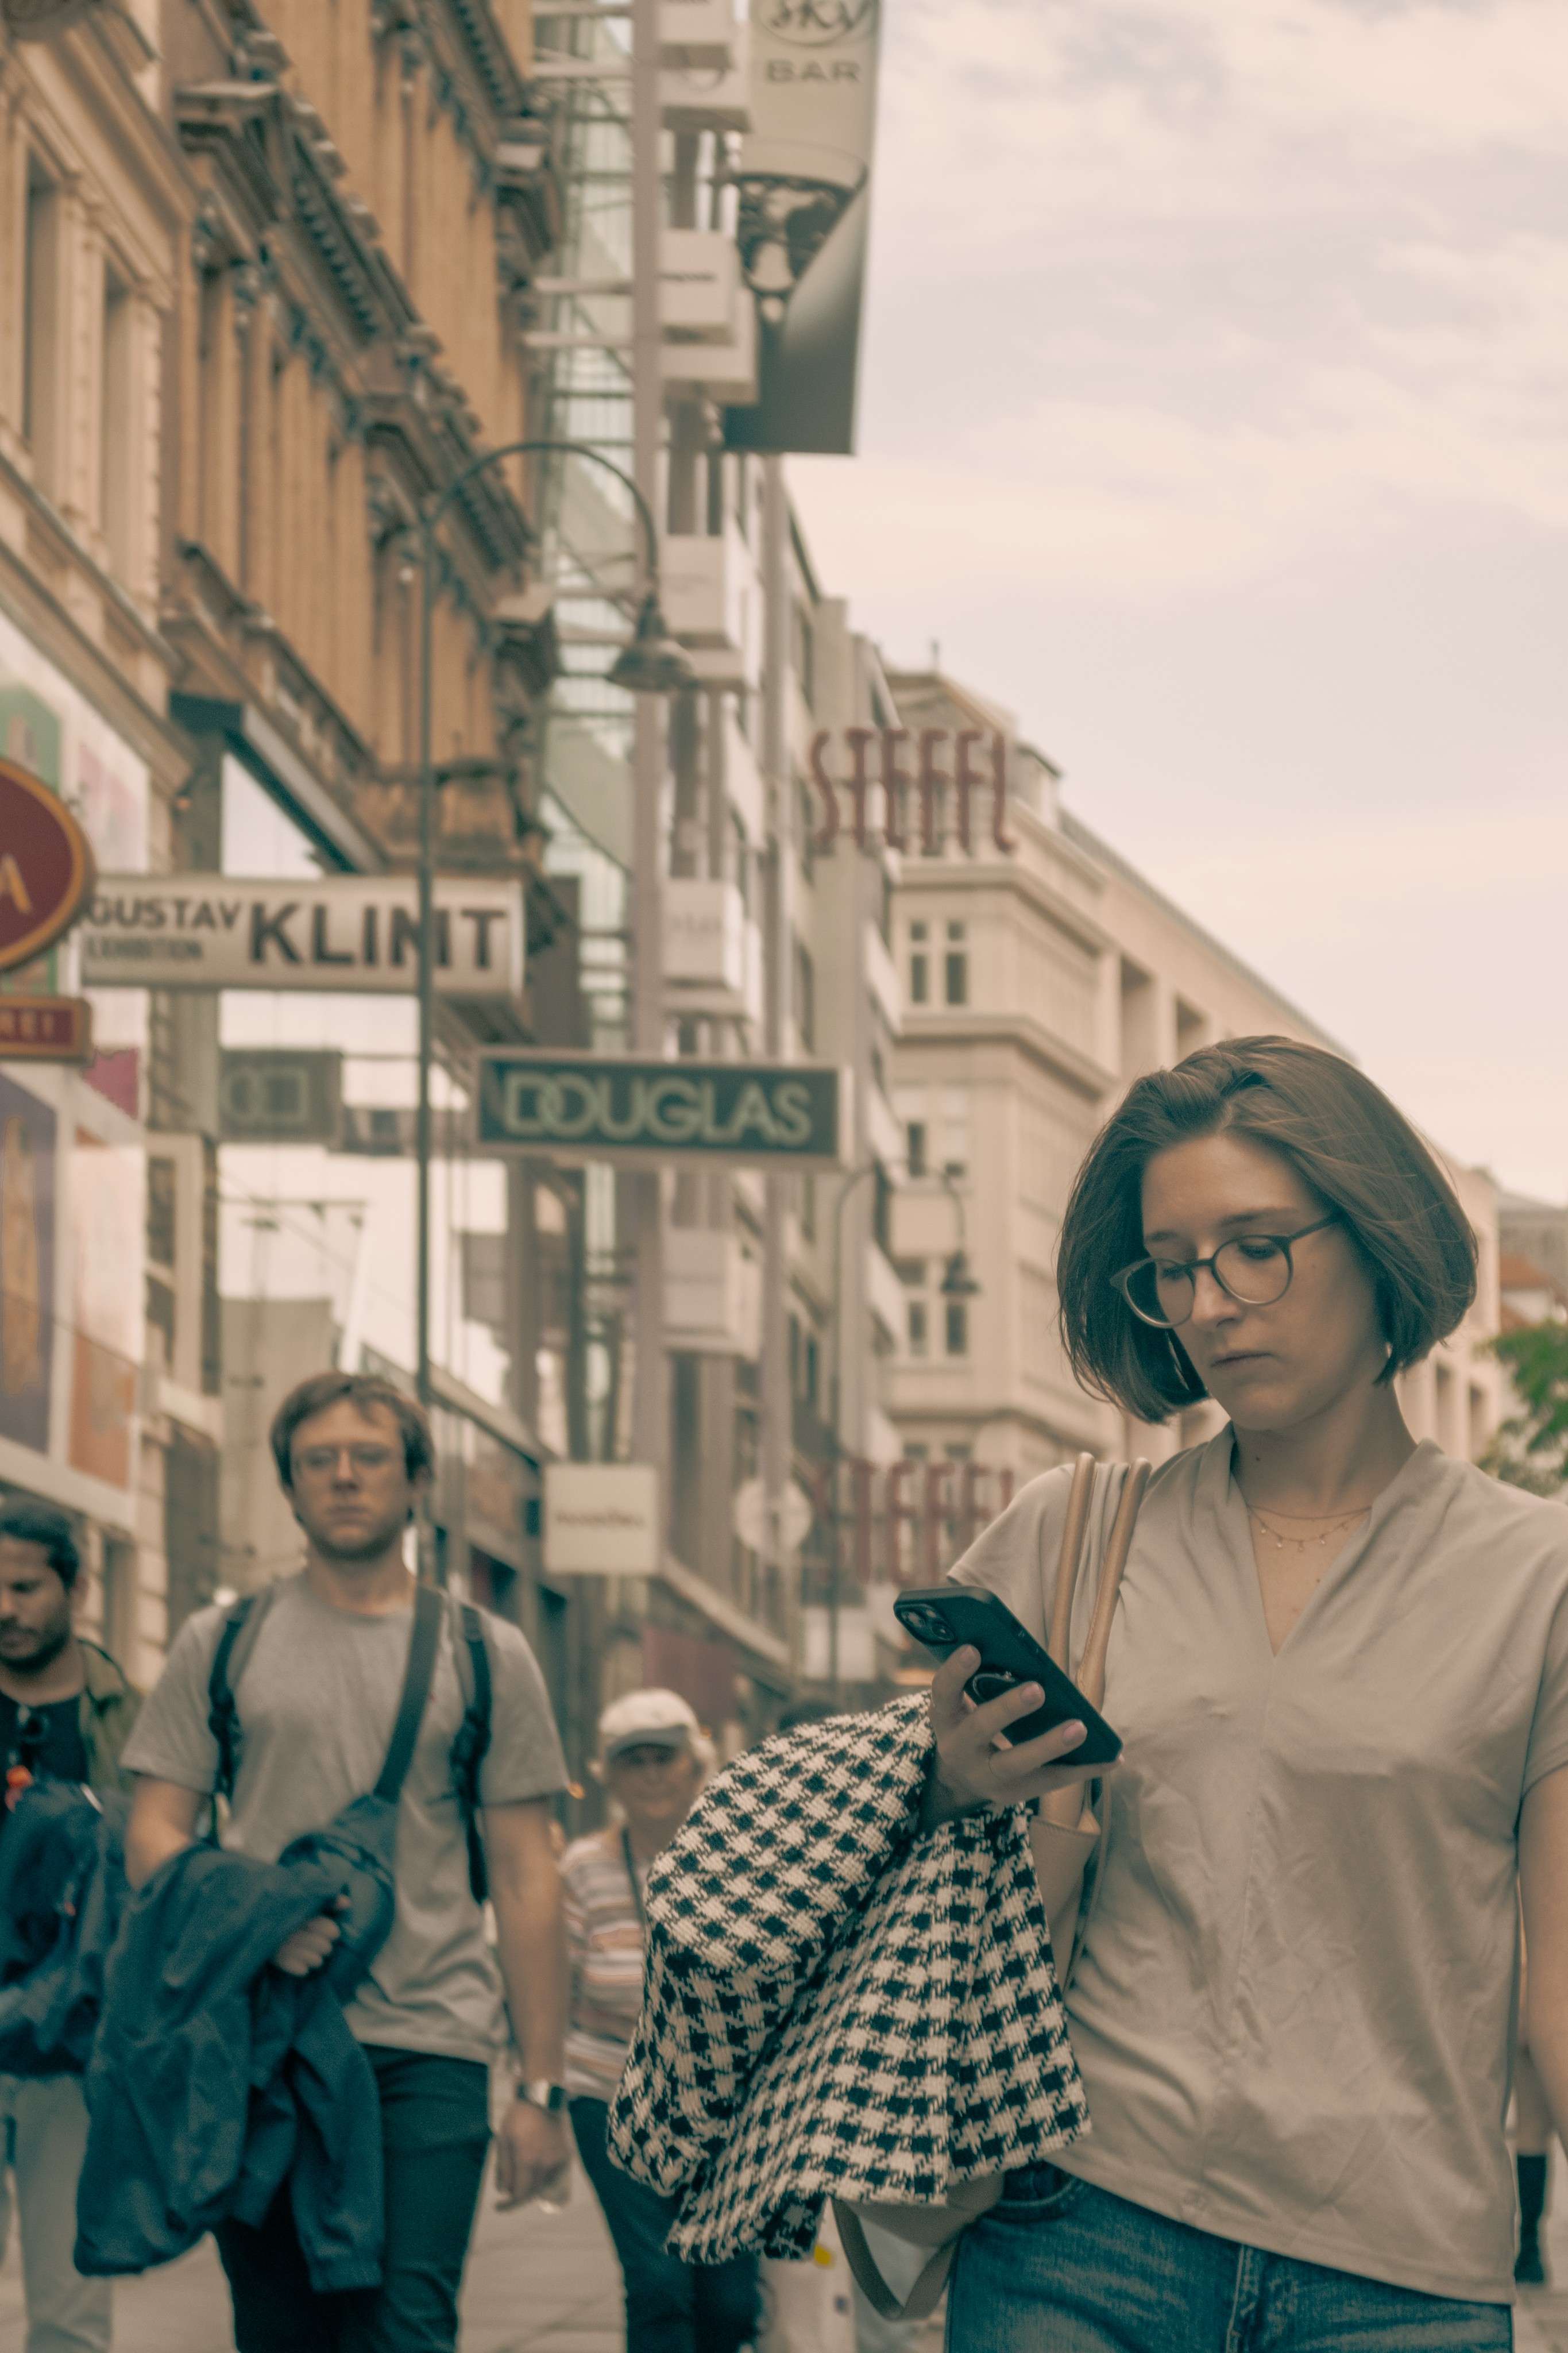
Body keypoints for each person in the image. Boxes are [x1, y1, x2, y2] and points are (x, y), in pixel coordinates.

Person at [922, 1036, 1568, 2350]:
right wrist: (955, 1784)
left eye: (1257, 1245)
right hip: (1077, 2231)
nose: (1213, 1302)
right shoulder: (1071, 1536)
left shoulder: (1539, 1576)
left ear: (1375, 1233)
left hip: (1399, 2277)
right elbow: (941, 1875)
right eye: (1174, 1265)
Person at [121, 1371, 571, 2353]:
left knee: (404, 2330)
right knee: (280, 2330)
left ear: (416, 1482)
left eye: (369, 1458)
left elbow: (530, 1877)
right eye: (317, 1461)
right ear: (288, 1488)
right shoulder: (222, 1641)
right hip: (261, 2044)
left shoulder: (485, 1653)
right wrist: (253, 1922)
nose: (343, 1478)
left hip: (430, 2046)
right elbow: (153, 1833)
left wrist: (541, 2090)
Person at [563, 1689, 758, 2352]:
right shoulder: (582, 1870)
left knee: (731, 2301)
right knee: (658, 2285)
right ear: (609, 1775)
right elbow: (554, 1993)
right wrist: (539, 2094)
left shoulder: (746, 1862)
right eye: (632, 1760)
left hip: (729, 2108)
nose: (649, 1774)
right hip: (612, 2098)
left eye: (663, 1758)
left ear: (695, 1766)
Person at [0, 1498, 139, 2353]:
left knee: (69, 2318)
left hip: (71, 2051)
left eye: (23, 1586)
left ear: (76, 1587)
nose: (5, 1609)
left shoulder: (133, 1713)